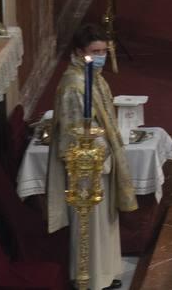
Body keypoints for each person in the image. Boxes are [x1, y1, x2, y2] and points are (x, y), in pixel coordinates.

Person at [48, 24, 137, 290]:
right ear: (79, 52)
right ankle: (91, 278)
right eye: (95, 51)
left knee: (105, 221)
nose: (100, 56)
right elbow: (76, 131)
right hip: (86, 167)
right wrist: (105, 153)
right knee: (90, 222)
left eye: (103, 51)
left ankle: (107, 273)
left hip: (102, 160)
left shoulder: (94, 76)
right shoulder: (74, 85)